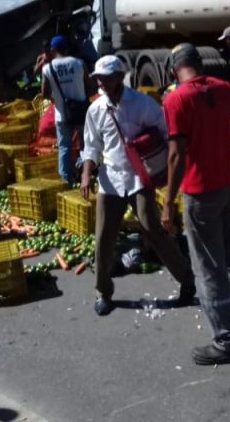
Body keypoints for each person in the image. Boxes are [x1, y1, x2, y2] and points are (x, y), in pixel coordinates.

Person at [162, 43, 230, 365]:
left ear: (172, 70)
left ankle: (227, 341)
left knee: (209, 269)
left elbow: (177, 155)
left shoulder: (176, 99)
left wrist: (168, 202)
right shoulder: (223, 88)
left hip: (201, 193)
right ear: (200, 64)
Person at [80, 54, 195, 317]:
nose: (101, 83)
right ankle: (103, 291)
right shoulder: (95, 110)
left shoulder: (142, 104)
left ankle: (187, 281)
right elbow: (91, 147)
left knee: (152, 229)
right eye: (98, 78)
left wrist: (163, 161)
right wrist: (87, 174)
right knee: (103, 238)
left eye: (106, 78)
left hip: (139, 178)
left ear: (119, 77)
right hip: (110, 180)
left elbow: (165, 131)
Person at [41, 35, 87, 184]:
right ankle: (86, 174)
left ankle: (66, 180)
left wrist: (55, 97)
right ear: (66, 48)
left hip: (62, 114)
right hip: (81, 112)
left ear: (53, 50)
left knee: (64, 148)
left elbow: (44, 94)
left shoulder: (48, 68)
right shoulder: (79, 63)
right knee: (85, 144)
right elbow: (90, 85)